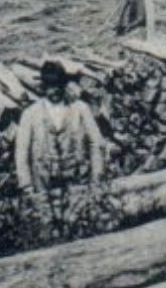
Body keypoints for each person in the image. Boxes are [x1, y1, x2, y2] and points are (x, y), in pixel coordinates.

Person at [13, 61, 108, 196]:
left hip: (78, 181)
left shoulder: (80, 109)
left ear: (64, 85)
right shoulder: (30, 114)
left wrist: (97, 176)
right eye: (50, 86)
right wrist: (26, 185)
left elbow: (96, 143)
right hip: (44, 185)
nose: (55, 90)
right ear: (43, 87)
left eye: (58, 85)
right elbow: (21, 152)